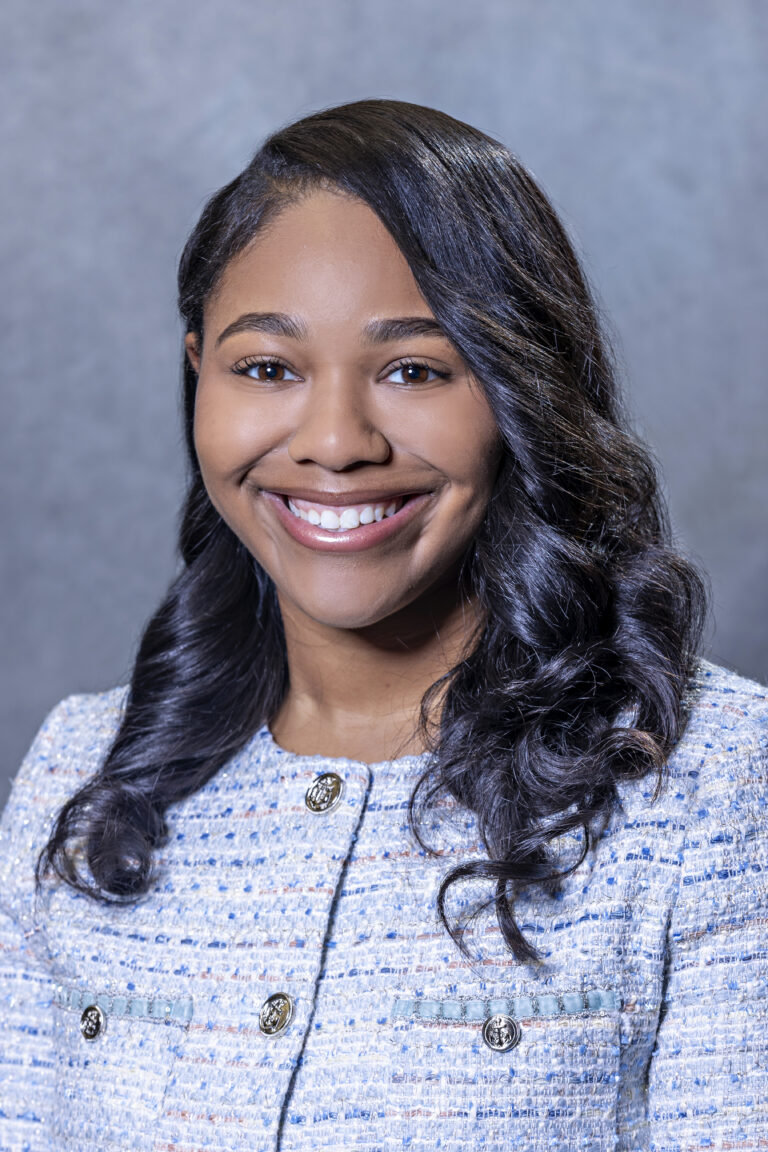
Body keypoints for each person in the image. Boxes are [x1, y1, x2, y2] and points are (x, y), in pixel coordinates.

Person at [0, 98, 765, 1152]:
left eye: (414, 370)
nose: (334, 442)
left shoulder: (716, 783)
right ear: (196, 375)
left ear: (517, 392)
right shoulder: (81, 776)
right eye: (267, 367)